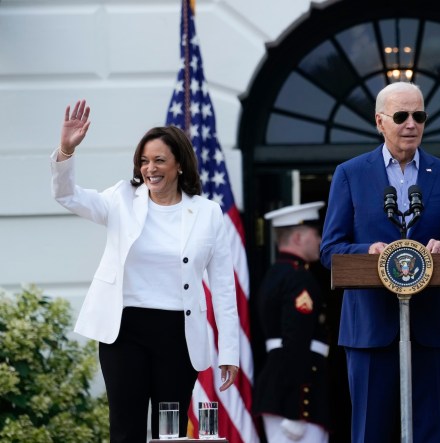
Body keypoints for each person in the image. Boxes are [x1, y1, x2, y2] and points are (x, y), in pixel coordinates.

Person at [51, 99, 240, 442]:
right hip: (125, 331)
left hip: (178, 335)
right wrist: (66, 150)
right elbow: (68, 196)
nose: (150, 168)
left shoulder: (208, 212)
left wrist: (229, 351)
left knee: (170, 433)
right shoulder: (121, 197)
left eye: (159, 160)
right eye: (144, 161)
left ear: (179, 165)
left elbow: (224, 287)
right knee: (126, 428)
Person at [319, 81, 440, 443]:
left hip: (431, 327)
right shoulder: (351, 173)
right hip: (370, 328)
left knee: (430, 432)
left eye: (419, 116)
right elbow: (331, 249)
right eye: (401, 116)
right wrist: (368, 252)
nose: (411, 124)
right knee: (370, 432)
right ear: (380, 121)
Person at [254, 201, 331, 443]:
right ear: (298, 237)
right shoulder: (299, 279)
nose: (320, 240)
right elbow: (295, 343)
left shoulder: (276, 273)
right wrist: (296, 411)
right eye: (316, 234)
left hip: (280, 387)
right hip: (295, 396)